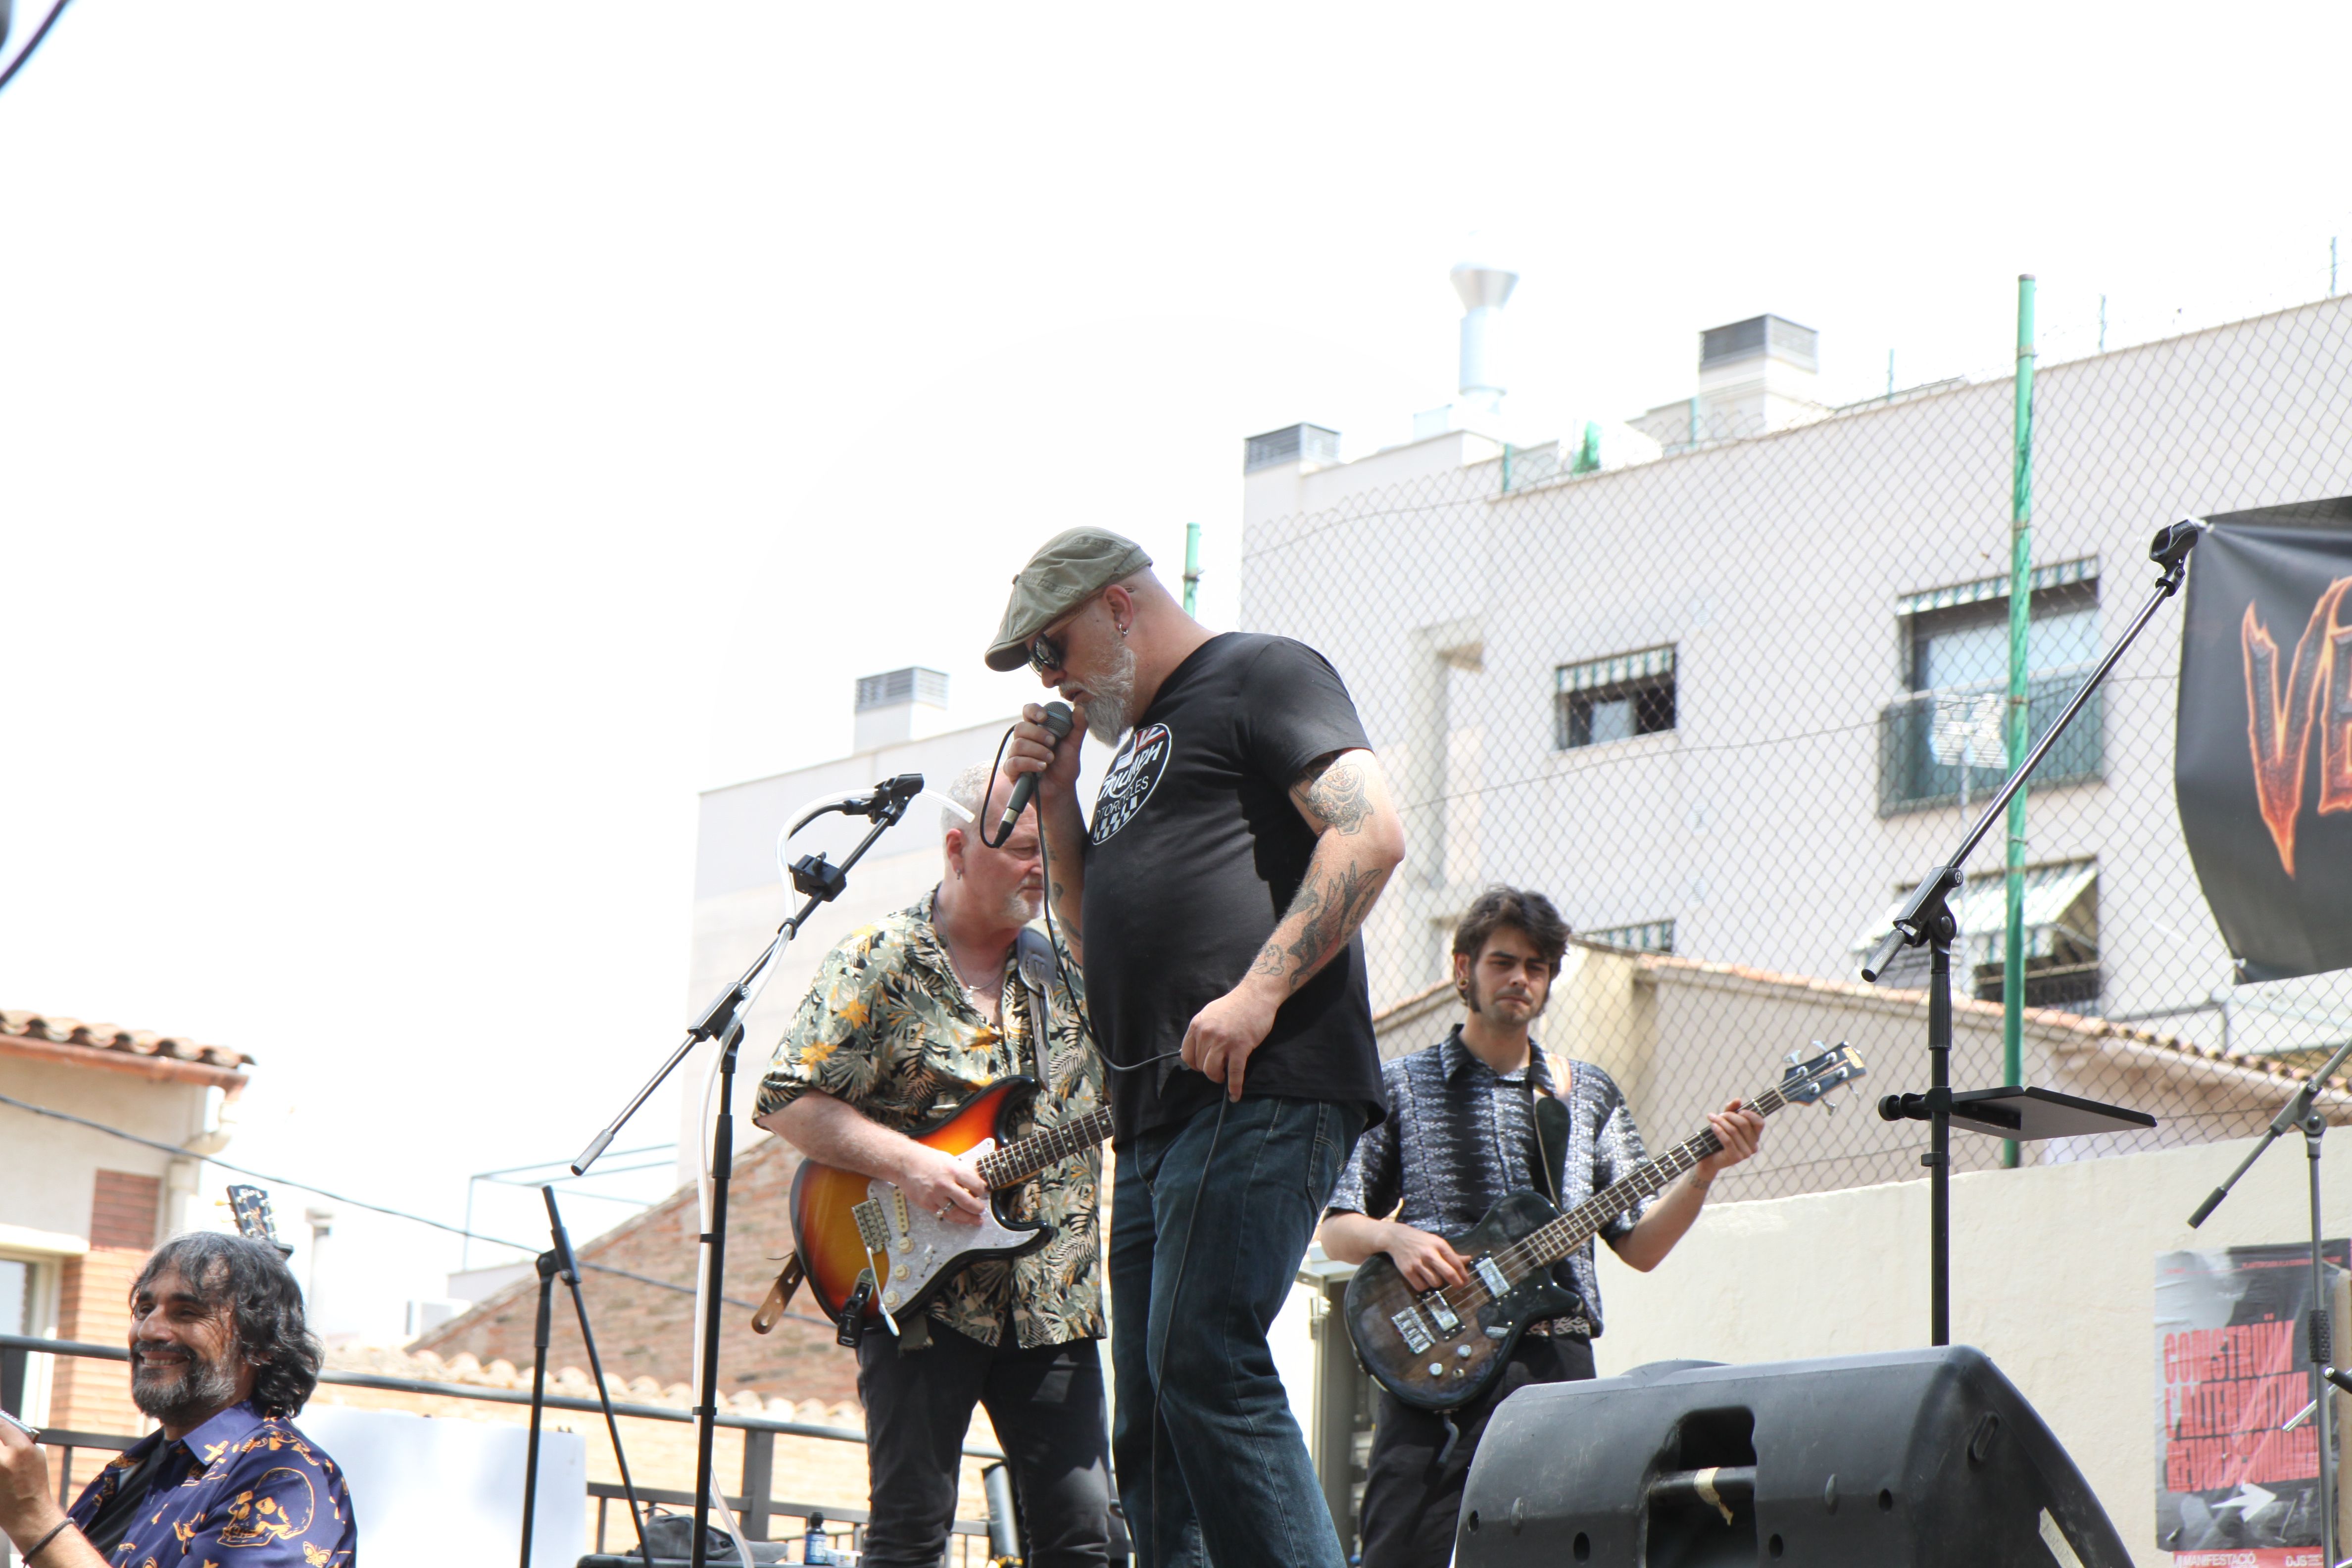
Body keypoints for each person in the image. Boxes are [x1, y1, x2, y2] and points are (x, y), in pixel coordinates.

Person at [991, 527, 1409, 1568]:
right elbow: (1093, 954)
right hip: (1157, 1119)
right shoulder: (1133, 748)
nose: (1052, 679)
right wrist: (1057, 807)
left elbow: (1371, 834)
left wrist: (1258, 993)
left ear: (1122, 606)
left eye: (1054, 646)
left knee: (1203, 1362)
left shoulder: (1261, 672)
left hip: (1257, 1084)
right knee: (1153, 1423)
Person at [1318, 887, 1766, 1568]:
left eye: (1537, 965)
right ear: (1462, 968)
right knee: (1400, 1549)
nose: (1521, 979)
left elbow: (1639, 1246)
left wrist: (1704, 1173)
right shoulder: (1403, 1085)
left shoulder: (1585, 1092)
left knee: (1558, 1552)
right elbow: (1336, 1229)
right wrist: (1394, 1237)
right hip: (1432, 1365)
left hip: (1554, 1362)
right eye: (1503, 962)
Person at [754, 763, 1111, 1568]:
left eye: (1046, 852)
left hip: (1055, 1299)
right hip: (913, 1290)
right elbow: (783, 1098)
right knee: (911, 1531)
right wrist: (909, 1163)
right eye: (1020, 849)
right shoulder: (880, 959)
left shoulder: (1071, 973)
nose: (1038, 869)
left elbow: (1138, 1088)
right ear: (956, 849)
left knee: (1086, 1538)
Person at [0, 1232, 358, 1568]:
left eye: (187, 1313)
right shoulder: (139, 1465)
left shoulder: (284, 1478)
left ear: (262, 1347)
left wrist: (34, 1515)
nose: (150, 1330)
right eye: (144, 1309)